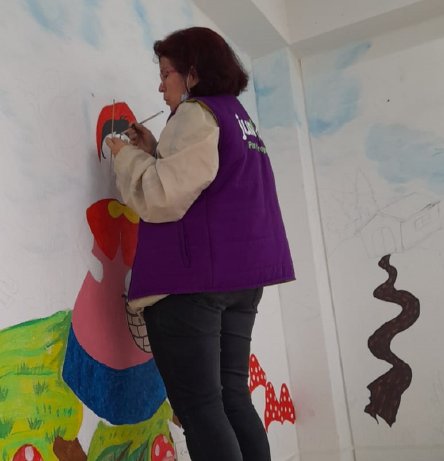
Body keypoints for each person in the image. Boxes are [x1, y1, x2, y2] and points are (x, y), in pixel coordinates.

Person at [105, 26, 294, 461]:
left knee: (201, 408)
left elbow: (162, 196)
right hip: (241, 282)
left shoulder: (196, 113)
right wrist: (155, 150)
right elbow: (209, 183)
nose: (161, 87)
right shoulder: (238, 117)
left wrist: (126, 156)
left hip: (194, 286)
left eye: (166, 74)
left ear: (192, 74)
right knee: (233, 399)